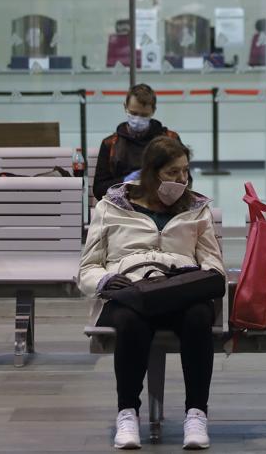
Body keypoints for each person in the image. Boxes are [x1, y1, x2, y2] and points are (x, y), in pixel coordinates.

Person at [79, 136, 223, 450]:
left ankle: (196, 413)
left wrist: (200, 276)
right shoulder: (110, 207)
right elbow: (87, 267)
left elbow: (213, 262)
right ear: (151, 172)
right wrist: (106, 282)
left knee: (199, 316)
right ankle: (127, 412)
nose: (182, 180)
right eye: (173, 172)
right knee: (131, 322)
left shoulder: (197, 210)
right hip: (131, 289)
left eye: (185, 171)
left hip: (179, 289)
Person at [92, 84, 182, 201]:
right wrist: (124, 181)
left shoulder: (170, 140)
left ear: (153, 111)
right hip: (123, 207)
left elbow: (185, 182)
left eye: (144, 115)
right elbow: (99, 189)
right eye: (134, 113)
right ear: (125, 107)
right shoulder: (111, 144)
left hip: (161, 204)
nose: (138, 119)